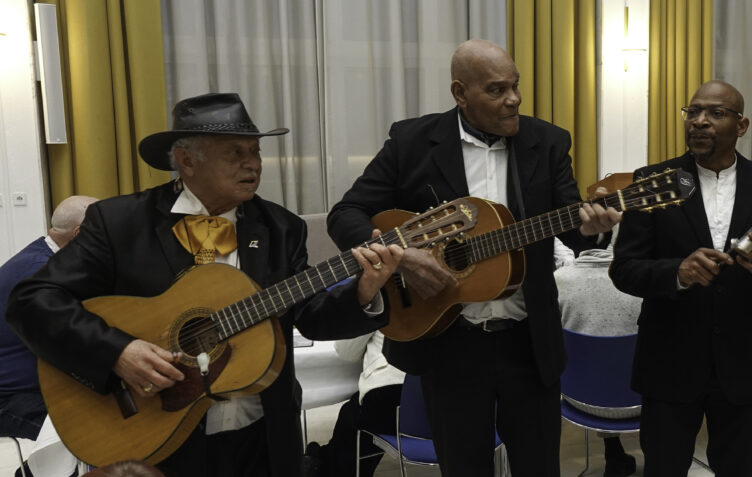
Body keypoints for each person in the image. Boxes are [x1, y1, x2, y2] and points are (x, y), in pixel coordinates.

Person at [5, 93, 403, 477]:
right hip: (156, 433)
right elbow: (31, 300)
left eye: (256, 152)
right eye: (235, 153)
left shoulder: (281, 227)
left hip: (261, 436)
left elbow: (311, 317)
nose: (253, 164)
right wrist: (118, 352)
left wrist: (364, 291)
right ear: (186, 160)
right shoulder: (120, 222)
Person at [327, 39, 620, 476]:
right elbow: (346, 214)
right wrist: (401, 256)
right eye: (497, 90)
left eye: (515, 86)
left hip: (528, 343)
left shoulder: (548, 141)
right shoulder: (412, 142)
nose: (514, 99)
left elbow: (573, 229)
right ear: (460, 93)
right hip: (448, 344)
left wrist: (596, 228)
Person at [609, 80, 752, 476]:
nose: (700, 121)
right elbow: (624, 269)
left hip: (744, 365)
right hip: (669, 363)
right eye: (693, 112)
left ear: (742, 125)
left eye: (716, 113)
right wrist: (676, 273)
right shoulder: (652, 180)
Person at [0, 195, 97, 442]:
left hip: (28, 388)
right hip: (11, 397)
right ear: (79, 233)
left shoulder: (41, 256)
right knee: (92, 432)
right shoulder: (40, 272)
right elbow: (72, 341)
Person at [554, 228, 642, 477]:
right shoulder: (645, 282)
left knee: (597, 365)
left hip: (580, 400)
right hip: (642, 401)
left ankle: (613, 453)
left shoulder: (557, 282)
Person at [304, 330, 404, 476]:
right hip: (431, 405)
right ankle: (321, 460)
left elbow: (346, 351)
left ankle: (321, 463)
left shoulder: (382, 313)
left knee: (356, 420)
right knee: (354, 417)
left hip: (390, 392)